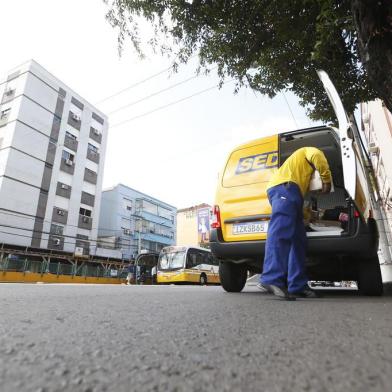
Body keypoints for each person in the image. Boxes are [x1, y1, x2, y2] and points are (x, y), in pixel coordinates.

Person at [258, 147, 332, 300]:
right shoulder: (309, 151)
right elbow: (317, 156)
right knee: (280, 232)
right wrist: (326, 180)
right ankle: (271, 278)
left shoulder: (301, 175)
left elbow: (297, 206)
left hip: (290, 191)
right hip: (284, 187)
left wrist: (308, 214)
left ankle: (297, 285)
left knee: (298, 240)